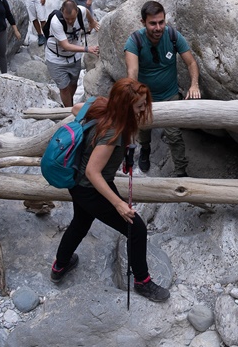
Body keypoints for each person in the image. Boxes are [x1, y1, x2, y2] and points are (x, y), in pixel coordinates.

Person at [49, 78, 171, 302]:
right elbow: (93, 173)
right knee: (136, 228)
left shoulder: (103, 106)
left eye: (144, 103)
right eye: (139, 106)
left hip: (77, 184)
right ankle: (142, 282)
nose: (144, 109)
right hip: (89, 187)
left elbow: (76, 108)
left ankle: (60, 265)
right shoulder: (111, 133)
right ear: (125, 107)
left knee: (80, 222)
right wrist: (119, 204)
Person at [124, 1, 201, 177]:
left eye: (161, 22)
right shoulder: (134, 41)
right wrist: (134, 96)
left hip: (170, 94)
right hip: (145, 96)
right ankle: (145, 148)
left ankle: (180, 171)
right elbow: (132, 71)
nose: (158, 27)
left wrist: (194, 84)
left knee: (174, 135)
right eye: (153, 23)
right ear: (143, 22)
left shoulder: (173, 35)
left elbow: (191, 62)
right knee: (143, 127)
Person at [45, 0, 101, 107]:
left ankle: (69, 103)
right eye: (67, 19)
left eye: (73, 19)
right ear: (62, 12)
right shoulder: (56, 22)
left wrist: (92, 22)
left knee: (73, 83)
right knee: (64, 88)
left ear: (77, 12)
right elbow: (65, 45)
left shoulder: (82, 11)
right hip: (56, 59)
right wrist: (87, 49)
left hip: (74, 57)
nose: (70, 22)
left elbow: (87, 12)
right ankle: (69, 109)